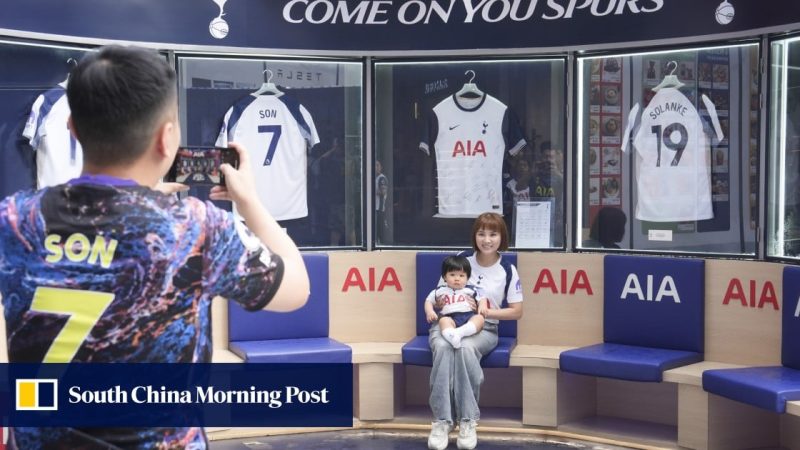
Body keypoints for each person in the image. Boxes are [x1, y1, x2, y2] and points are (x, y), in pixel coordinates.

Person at [0, 45, 310, 449]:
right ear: (168, 140)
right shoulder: (196, 228)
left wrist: (139, 202)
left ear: (72, 128)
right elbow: (296, 290)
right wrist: (250, 201)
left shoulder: (15, 220)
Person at [427, 212, 523, 450]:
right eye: (482, 233)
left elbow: (517, 311)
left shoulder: (508, 270)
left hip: (484, 327)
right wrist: (448, 305)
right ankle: (442, 421)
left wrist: (486, 312)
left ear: (502, 237)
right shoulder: (461, 259)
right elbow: (438, 295)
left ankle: (468, 420)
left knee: (465, 348)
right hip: (448, 322)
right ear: (475, 236)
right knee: (442, 345)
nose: (487, 239)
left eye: (493, 234)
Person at [424, 256, 487, 349]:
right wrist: (430, 312)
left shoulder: (470, 290)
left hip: (469, 316)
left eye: (461, 275)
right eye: (452, 275)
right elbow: (428, 301)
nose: (457, 279)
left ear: (467, 277)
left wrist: (482, 306)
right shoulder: (440, 291)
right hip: (449, 317)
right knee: (443, 321)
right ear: (444, 277)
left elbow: (482, 298)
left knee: (479, 319)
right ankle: (452, 336)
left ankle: (458, 334)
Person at [375, 159, 389, 244]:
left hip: (379, 207)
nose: (376, 167)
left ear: (381, 167)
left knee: (379, 227)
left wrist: (371, 191)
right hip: (374, 207)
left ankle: (379, 243)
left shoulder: (382, 178)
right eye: (374, 165)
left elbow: (384, 192)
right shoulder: (374, 178)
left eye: (377, 165)